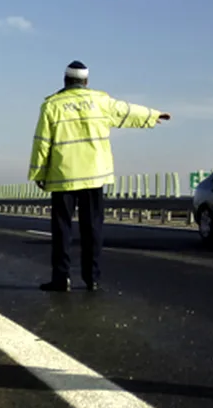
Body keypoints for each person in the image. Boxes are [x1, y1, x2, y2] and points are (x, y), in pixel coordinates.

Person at [29, 61, 170, 292]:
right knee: (92, 228)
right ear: (86, 81)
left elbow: (42, 143)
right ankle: (92, 278)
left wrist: (38, 172)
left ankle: (61, 278)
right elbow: (126, 110)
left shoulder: (52, 105)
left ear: (65, 80)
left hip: (62, 176)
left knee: (62, 229)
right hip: (94, 175)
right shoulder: (100, 101)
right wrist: (153, 115)